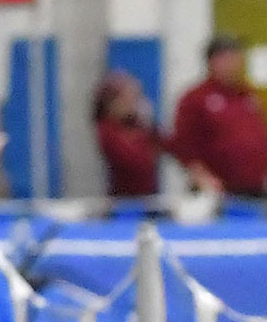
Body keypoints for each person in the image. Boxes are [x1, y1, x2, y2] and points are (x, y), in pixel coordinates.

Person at [172, 33, 267, 198]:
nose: (237, 63)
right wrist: (202, 177)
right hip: (216, 191)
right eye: (231, 58)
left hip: (254, 189)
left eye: (239, 57)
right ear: (214, 61)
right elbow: (183, 145)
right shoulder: (195, 98)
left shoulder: (247, 95)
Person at [93, 70, 168, 199]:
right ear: (114, 102)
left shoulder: (139, 124)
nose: (135, 103)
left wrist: (151, 124)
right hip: (122, 198)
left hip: (148, 195)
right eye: (131, 98)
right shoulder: (107, 128)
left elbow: (166, 145)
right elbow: (134, 162)